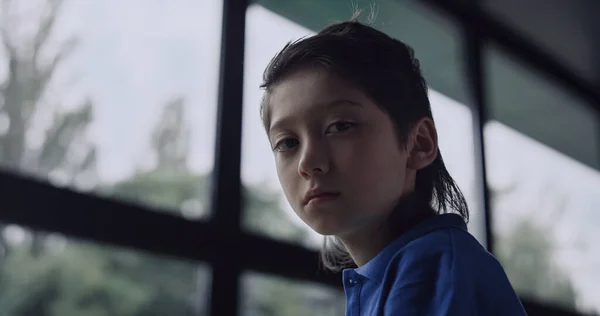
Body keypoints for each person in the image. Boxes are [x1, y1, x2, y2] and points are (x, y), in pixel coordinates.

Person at [259, 18, 527, 316]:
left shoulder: (430, 264)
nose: (308, 163)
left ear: (418, 144)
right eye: (287, 143)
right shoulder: (396, 272)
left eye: (340, 126)